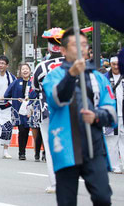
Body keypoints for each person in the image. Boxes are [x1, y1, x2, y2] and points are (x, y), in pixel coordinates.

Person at [43, 31, 115, 206]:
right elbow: (57, 99)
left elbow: (111, 112)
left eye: (84, 45)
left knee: (103, 197)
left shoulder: (98, 77)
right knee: (66, 201)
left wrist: (96, 116)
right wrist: (71, 75)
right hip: (66, 145)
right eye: (76, 45)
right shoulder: (53, 76)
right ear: (63, 50)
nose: (82, 49)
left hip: (93, 146)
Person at [33, 27, 67, 192]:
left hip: (47, 110)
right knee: (68, 144)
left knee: (50, 145)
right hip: (69, 109)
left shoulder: (41, 67)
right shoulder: (72, 64)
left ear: (49, 47)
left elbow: (35, 87)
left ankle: (55, 183)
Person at [5, 62, 38, 161]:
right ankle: (21, 153)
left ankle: (36, 153)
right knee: (22, 130)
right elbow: (7, 94)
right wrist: (14, 100)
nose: (25, 70)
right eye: (23, 69)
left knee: (28, 131)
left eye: (26, 69)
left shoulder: (33, 82)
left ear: (30, 70)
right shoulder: (16, 82)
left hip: (30, 110)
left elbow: (37, 94)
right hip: (19, 111)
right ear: (20, 71)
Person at [105, 56, 124, 173]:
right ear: (110, 64)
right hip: (112, 112)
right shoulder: (105, 77)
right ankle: (114, 165)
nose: (116, 67)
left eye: (118, 64)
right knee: (112, 139)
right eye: (114, 64)